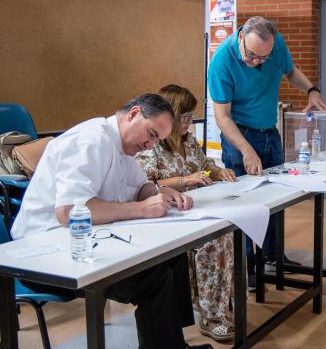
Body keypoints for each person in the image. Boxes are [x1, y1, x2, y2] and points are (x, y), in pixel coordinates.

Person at [11, 94, 212, 349]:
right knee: (154, 278)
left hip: (84, 240)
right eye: (150, 134)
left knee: (174, 256)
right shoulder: (91, 140)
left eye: (157, 140)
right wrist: (141, 209)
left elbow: (139, 185)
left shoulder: (123, 145)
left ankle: (172, 343)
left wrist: (157, 193)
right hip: (45, 251)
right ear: (133, 114)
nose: (150, 145)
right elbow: (70, 211)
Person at [208, 15, 326, 283]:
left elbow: (290, 71)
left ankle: (271, 255)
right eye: (251, 55)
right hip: (239, 136)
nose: (257, 62)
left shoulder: (274, 45)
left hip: (269, 133)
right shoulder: (221, 62)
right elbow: (222, 117)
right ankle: (246, 265)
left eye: (263, 57)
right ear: (240, 37)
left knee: (275, 198)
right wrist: (246, 150)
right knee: (243, 203)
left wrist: (311, 89)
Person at [136, 84, 237, 342]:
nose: (189, 122)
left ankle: (219, 305)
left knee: (228, 228)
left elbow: (204, 165)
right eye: (185, 117)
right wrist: (185, 179)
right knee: (215, 240)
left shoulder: (189, 141)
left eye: (191, 116)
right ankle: (211, 315)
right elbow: (146, 184)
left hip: (194, 207)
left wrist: (217, 171)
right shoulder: (152, 145)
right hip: (166, 212)